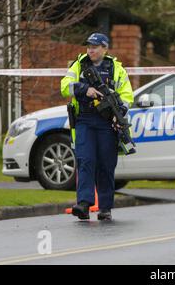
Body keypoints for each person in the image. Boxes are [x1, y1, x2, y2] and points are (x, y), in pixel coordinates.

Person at [60, 33, 134, 221]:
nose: (90, 50)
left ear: (105, 48)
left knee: (106, 164)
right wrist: (85, 90)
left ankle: (105, 207)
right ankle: (84, 204)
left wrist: (121, 112)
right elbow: (64, 86)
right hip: (84, 119)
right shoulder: (79, 65)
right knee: (85, 160)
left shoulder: (116, 68)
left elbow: (127, 95)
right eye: (88, 47)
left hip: (107, 122)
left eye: (95, 46)